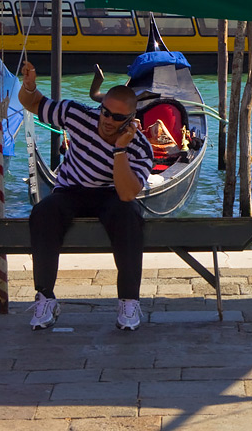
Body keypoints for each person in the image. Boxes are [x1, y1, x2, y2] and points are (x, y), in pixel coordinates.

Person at [18, 59, 153, 331]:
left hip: (112, 195)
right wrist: (29, 86)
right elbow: (32, 104)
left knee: (128, 215)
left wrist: (120, 150)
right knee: (43, 212)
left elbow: (127, 194)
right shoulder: (78, 115)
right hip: (72, 189)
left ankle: (129, 300)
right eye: (105, 112)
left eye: (117, 118)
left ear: (130, 121)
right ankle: (45, 296)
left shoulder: (140, 147)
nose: (107, 120)